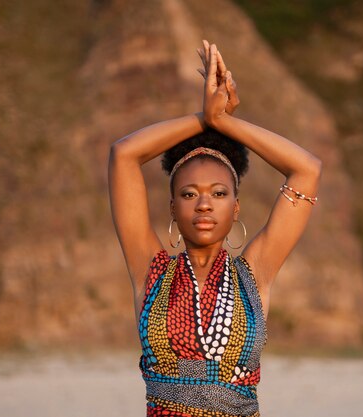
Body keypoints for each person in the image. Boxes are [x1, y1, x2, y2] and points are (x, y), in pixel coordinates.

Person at [109, 40, 322, 417]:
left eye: (218, 193)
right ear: (173, 207)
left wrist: (224, 122)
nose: (204, 203)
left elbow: (306, 169)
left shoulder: (253, 274)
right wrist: (202, 118)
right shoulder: (151, 269)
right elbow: (124, 154)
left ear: (235, 206)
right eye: (189, 194)